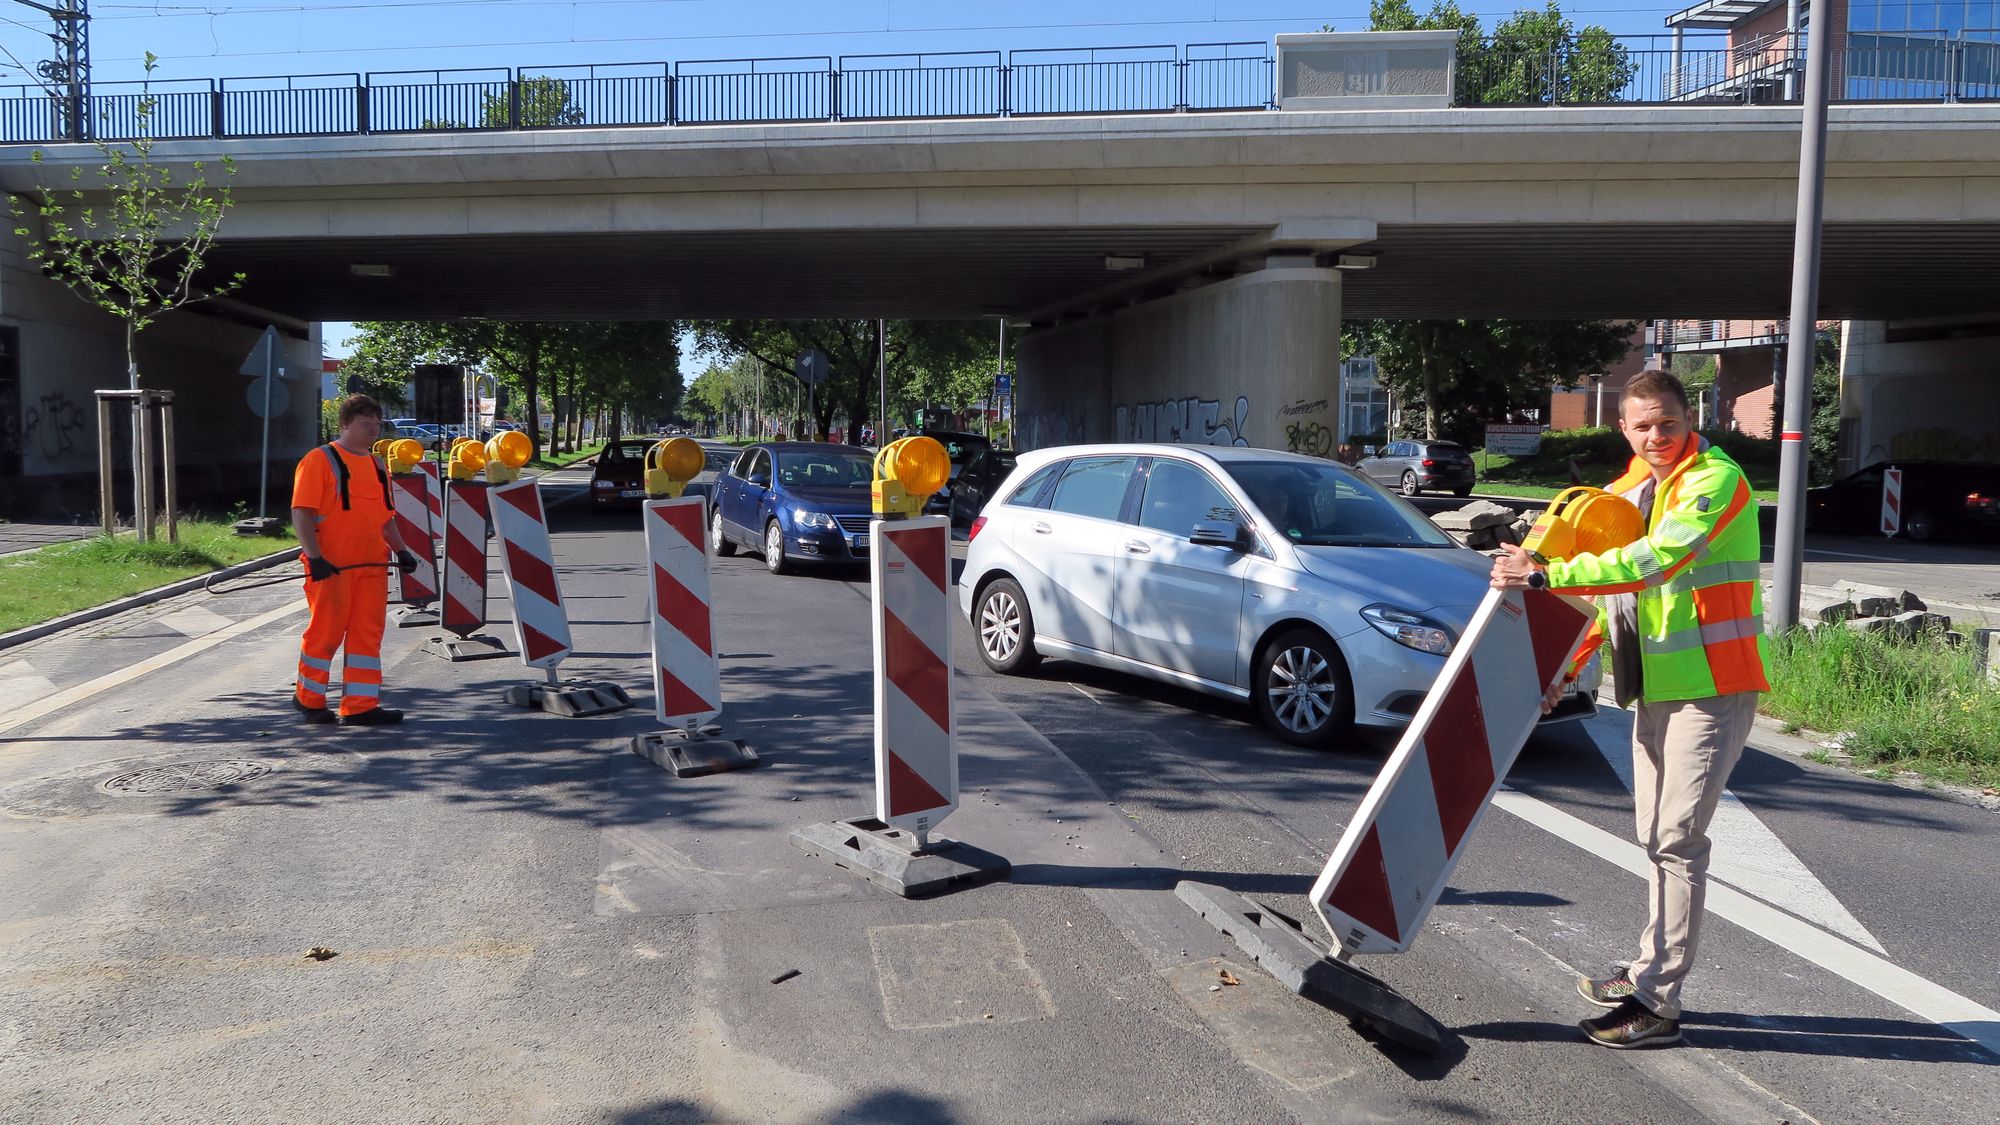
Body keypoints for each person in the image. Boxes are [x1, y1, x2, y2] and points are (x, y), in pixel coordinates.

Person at [1489, 369, 1769, 1050]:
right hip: (1655, 687)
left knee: (1676, 840)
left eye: (1667, 424)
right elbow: (1609, 596)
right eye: (1642, 426)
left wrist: (1546, 573)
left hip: (1714, 686)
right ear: (1623, 427)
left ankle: (1659, 1002)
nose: (1656, 437)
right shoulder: (1627, 490)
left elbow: (1653, 561)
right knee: (1654, 836)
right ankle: (1648, 970)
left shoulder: (1716, 480)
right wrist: (1566, 665)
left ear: (1688, 418)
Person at [290, 394, 420, 727]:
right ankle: (308, 700)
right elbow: (301, 513)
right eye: (366, 423)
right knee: (327, 632)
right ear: (346, 424)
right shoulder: (319, 460)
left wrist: (402, 550)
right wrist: (315, 557)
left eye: (377, 423)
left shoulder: (377, 465)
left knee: (367, 633)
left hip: (372, 565)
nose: (373, 429)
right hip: (331, 566)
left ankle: (361, 706)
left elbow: (385, 517)